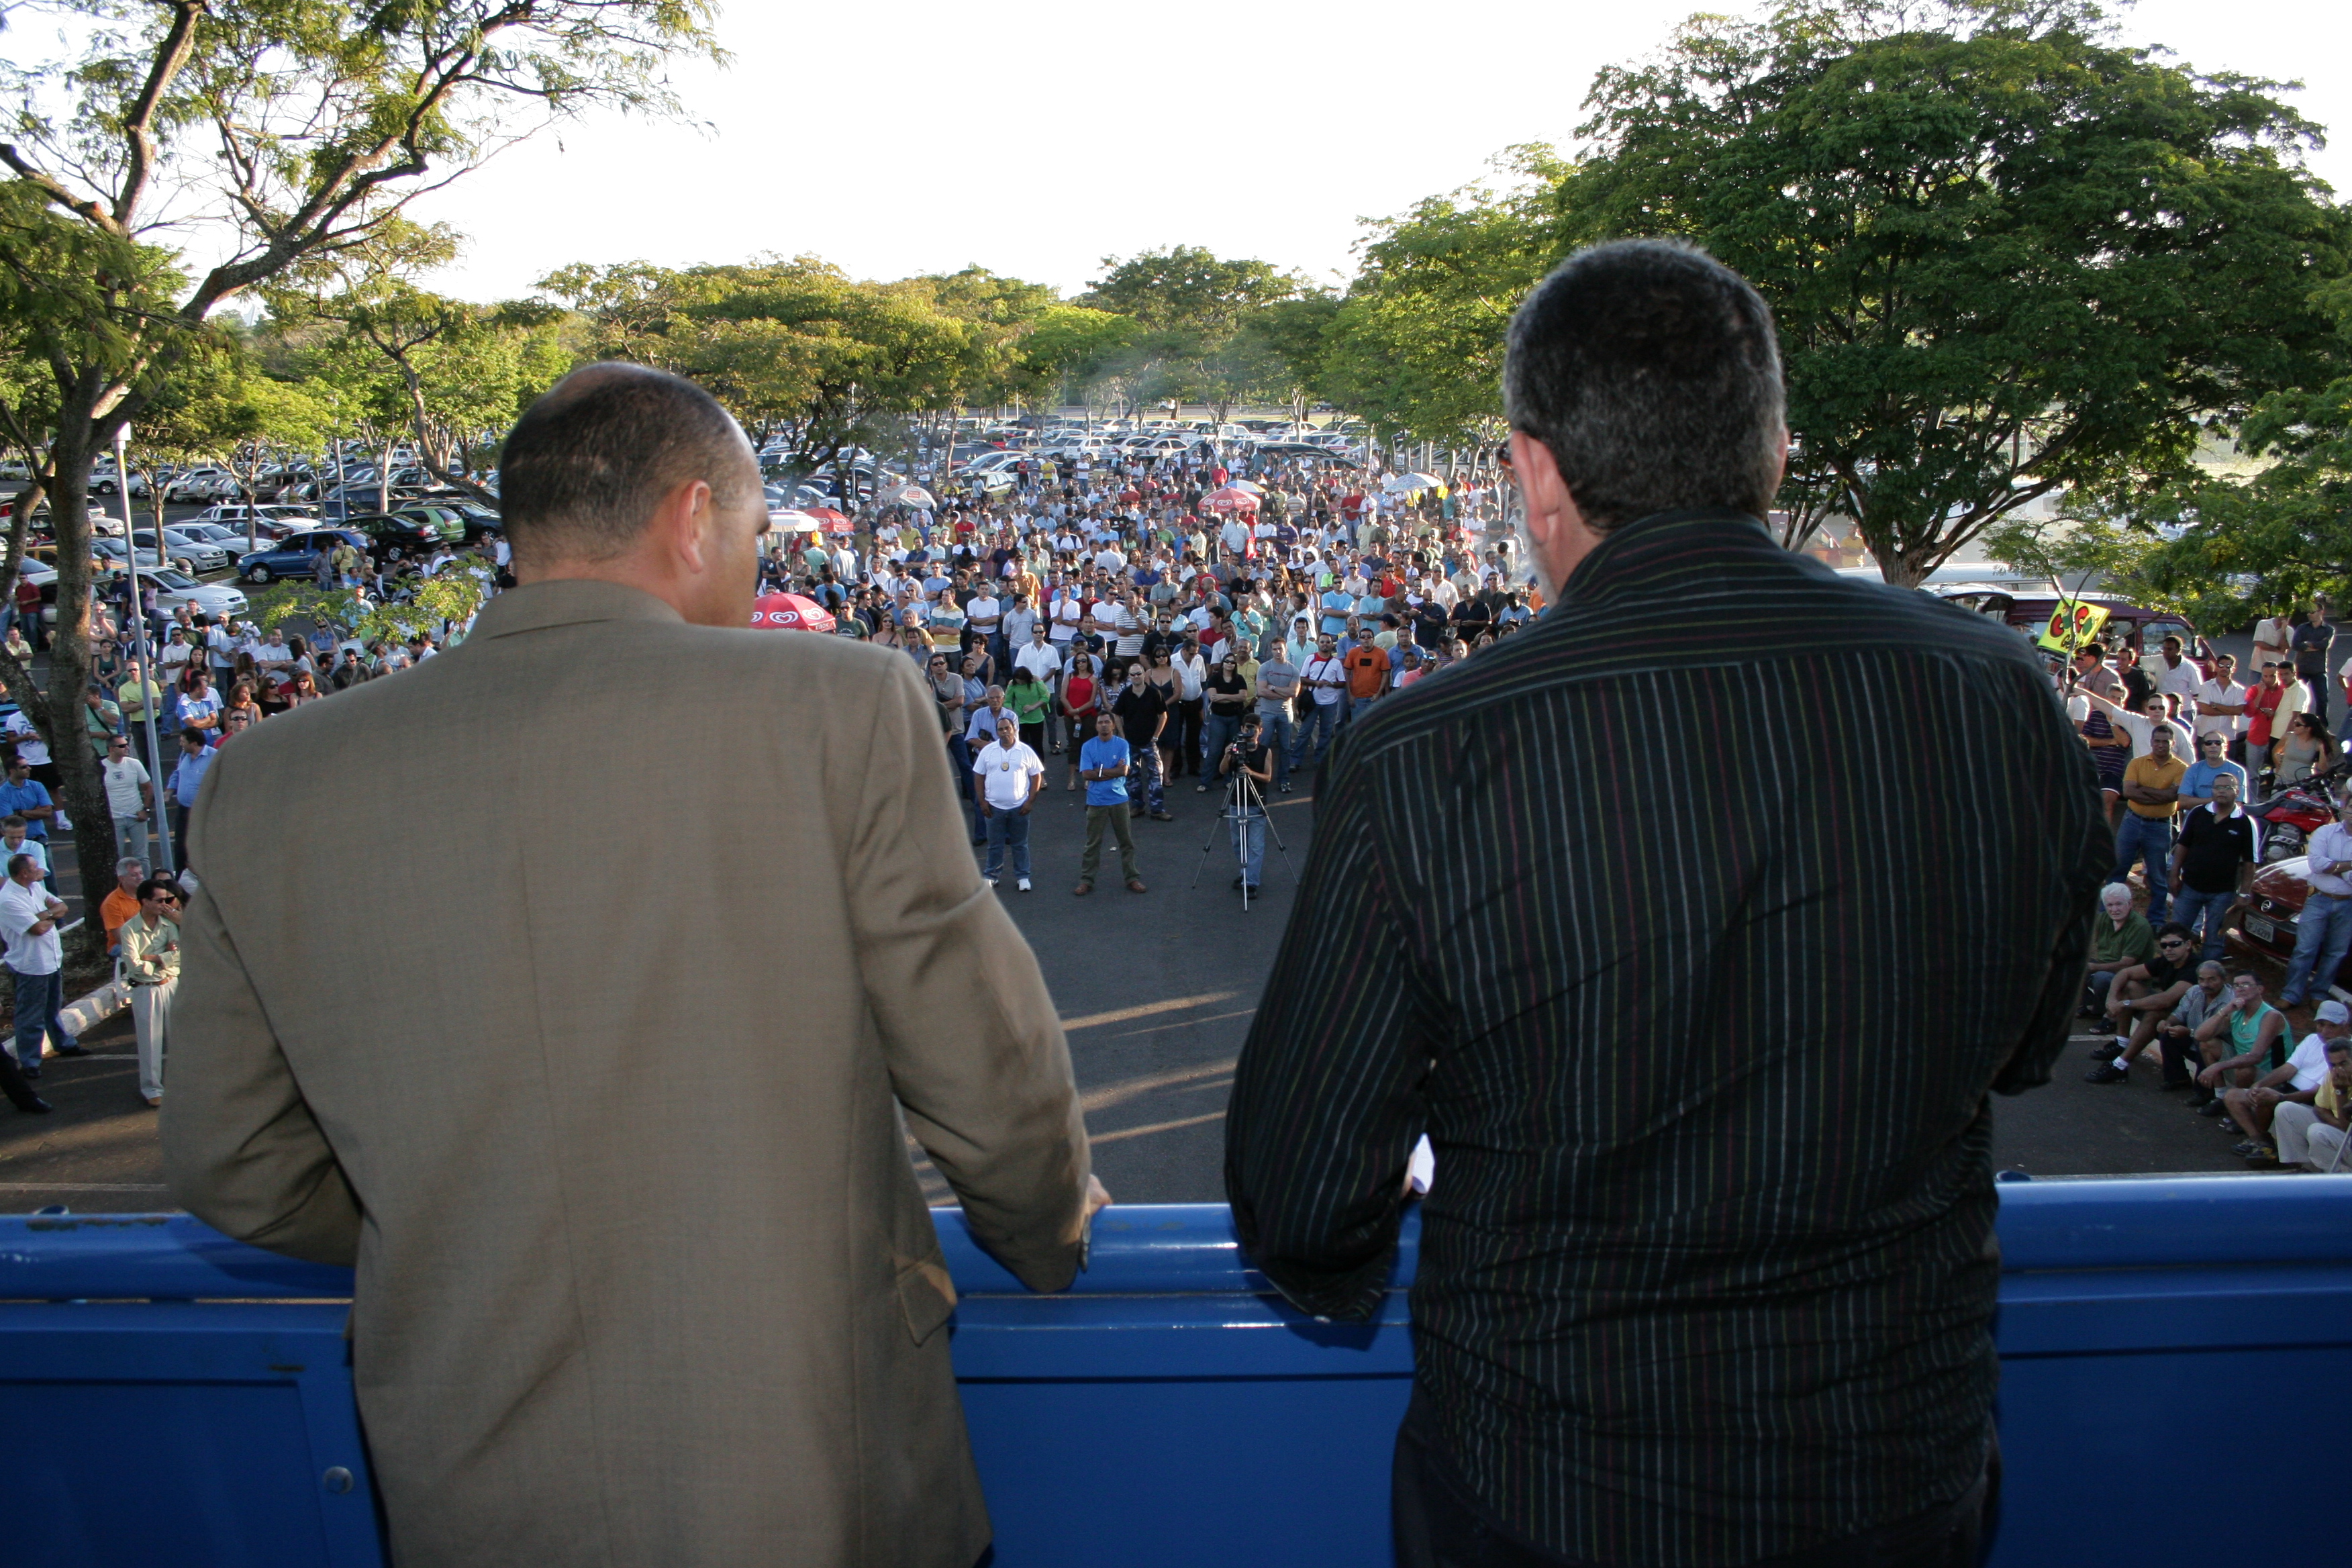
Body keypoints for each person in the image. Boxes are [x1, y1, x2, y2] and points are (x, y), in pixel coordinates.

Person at [1226, 240, 2104, 1568]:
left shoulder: (1429, 749)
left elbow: (1300, 1198)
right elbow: (2029, 1043)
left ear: (1535, 468)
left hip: (1548, 1484)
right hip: (1894, 1476)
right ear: (1775, 456)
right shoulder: (1996, 693)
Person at [163, 362, 1104, 1568]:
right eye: (757, 530)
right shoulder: (840, 701)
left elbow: (229, 1159)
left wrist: (467, 1232)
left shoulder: (271, 775)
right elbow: (985, 1062)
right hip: (813, 1470)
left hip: (467, 1483)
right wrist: (1047, 1233)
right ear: (693, 517)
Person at [2218, 999, 2349, 1162]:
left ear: (2346, 1026)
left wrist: (2279, 1097)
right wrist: (2259, 1085)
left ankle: (2273, 1149)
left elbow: (2318, 1092)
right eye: (2321, 1024)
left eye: (2332, 1026)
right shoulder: (2312, 1039)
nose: (2324, 1031)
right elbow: (2288, 1069)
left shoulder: (2345, 1052)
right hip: (2287, 1089)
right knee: (2233, 1096)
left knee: (2266, 1100)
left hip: (2307, 1099)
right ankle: (2260, 1140)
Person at [0, 849, 81, 1079]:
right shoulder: (8, 900)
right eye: (36, 867)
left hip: (51, 959)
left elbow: (62, 906)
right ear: (24, 873)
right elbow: (37, 929)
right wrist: (49, 916)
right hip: (31, 965)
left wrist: (44, 914)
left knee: (52, 1008)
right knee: (30, 1015)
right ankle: (29, 1060)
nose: (40, 870)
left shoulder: (35, 887)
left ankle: (63, 1043)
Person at [2085, 922, 2198, 1083]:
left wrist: (2124, 1004)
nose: (2168, 949)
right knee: (2128, 985)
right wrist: (2112, 999)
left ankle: (2120, 1066)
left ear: (2188, 944)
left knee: (2156, 1013)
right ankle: (2122, 1043)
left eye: (2174, 944)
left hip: (2193, 1023)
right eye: (2164, 946)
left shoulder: (2195, 969)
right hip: (2174, 1013)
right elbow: (2125, 973)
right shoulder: (2167, 961)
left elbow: (2166, 1000)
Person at [2167, 769, 2259, 961]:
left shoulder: (2245, 823)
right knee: (2177, 935)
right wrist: (2174, 875)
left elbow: (2249, 863)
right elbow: (2183, 846)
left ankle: (2208, 980)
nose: (2222, 791)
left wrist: (2243, 893)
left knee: (2214, 939)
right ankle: (2172, 973)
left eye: (2227, 787)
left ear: (2237, 791)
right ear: (2212, 790)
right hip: (2190, 887)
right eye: (2218, 787)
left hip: (2223, 893)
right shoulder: (2198, 814)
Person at [2280, 793, 2352, 1008]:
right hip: (2319, 899)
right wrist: (2348, 866)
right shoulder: (2325, 832)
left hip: (2348, 904)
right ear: (2344, 808)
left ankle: (2319, 993)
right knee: (2305, 949)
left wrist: (2334, 866)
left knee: (2336, 952)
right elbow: (2317, 865)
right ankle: (2291, 994)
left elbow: (2328, 867)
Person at [118, 875, 181, 1108]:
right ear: (145, 901)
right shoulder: (129, 930)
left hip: (170, 984)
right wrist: (165, 957)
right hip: (146, 990)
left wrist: (154, 958)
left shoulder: (169, 924)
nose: (164, 905)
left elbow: (179, 956)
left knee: (180, 1039)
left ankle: (181, 1084)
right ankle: (152, 1087)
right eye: (159, 901)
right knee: (150, 1042)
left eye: (167, 900)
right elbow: (135, 965)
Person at [2113, 720, 2184, 925]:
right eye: (2157, 741)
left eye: (2165, 741)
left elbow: (2173, 797)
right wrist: (2162, 794)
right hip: (2132, 822)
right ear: (2151, 742)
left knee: (2157, 878)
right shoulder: (2137, 763)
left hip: (2160, 826)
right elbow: (2128, 792)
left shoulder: (2181, 768)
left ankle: (2155, 922)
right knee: (2118, 870)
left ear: (2173, 743)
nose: (2161, 745)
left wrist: (2143, 790)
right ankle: (2108, 914)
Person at [2190, 971, 2289, 1111]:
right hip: (2241, 1068)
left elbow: (2256, 1056)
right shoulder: (2236, 1011)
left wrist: (2217, 1066)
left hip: (2270, 1076)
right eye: (2236, 985)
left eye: (2246, 984)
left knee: (2245, 1068)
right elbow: (2200, 1036)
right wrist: (2225, 1011)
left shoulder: (2271, 1016)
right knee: (2208, 1044)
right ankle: (2221, 1097)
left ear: (2260, 989)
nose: (2240, 988)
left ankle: (2241, 1106)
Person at [1075, 708, 1144, 895]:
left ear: (1113, 725)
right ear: (1096, 726)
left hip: (1119, 799)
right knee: (1093, 844)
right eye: (1100, 722)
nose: (1104, 725)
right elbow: (1086, 774)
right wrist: (1111, 771)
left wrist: (1099, 772)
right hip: (1096, 801)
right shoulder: (1088, 746)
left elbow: (1124, 771)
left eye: (1107, 722)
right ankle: (1086, 880)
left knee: (1126, 842)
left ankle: (1132, 878)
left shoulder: (1122, 745)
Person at [973, 712, 1044, 892]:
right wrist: (982, 802)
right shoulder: (988, 751)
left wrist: (1030, 802)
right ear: (996, 732)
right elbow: (979, 776)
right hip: (994, 807)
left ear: (1014, 730)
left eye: (1007, 728)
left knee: (1020, 844)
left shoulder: (1025, 751)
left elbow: (1036, 776)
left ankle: (1023, 877)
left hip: (1019, 807)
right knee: (995, 845)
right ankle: (992, 875)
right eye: (1001, 729)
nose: (1004, 732)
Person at [2271, 1032, 2352, 1171]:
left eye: (2343, 1063)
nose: (2338, 1069)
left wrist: (2341, 1091)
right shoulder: (2332, 1075)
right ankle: (2306, 1168)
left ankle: (2339, 1178)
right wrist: (2336, 1124)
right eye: (2333, 1065)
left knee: (2318, 1132)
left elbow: (2347, 1128)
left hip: (2348, 1140)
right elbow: (2319, 1108)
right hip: (2340, 1131)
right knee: (2285, 1110)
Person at [1216, 711, 1274, 897]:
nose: (1250, 732)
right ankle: (1244, 873)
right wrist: (1227, 756)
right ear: (1241, 729)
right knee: (1239, 844)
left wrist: (1250, 772)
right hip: (1237, 802)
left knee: (1255, 846)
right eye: (1247, 728)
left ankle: (1251, 882)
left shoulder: (1265, 751)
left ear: (1260, 731)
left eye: (1254, 730)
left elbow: (1268, 777)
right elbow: (1222, 770)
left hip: (1256, 803)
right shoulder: (1235, 748)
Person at [1112, 659, 1171, 821]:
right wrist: (1122, 735)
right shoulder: (1125, 695)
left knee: (1156, 775)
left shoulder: (1154, 693)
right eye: (1133, 674)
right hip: (1131, 742)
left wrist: (1156, 736)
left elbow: (1163, 715)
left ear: (1144, 674)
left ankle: (1157, 809)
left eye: (1139, 673)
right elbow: (1116, 714)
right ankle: (1137, 807)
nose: (1136, 677)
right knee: (1132, 776)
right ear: (1129, 677)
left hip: (1149, 742)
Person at [101, 732, 155, 870]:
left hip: (136, 817)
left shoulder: (134, 764)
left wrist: (146, 809)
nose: (127, 748)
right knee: (115, 858)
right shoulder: (101, 767)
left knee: (142, 857)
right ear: (112, 749)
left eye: (126, 745)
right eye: (122, 746)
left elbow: (148, 787)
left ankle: (146, 889)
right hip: (114, 819)